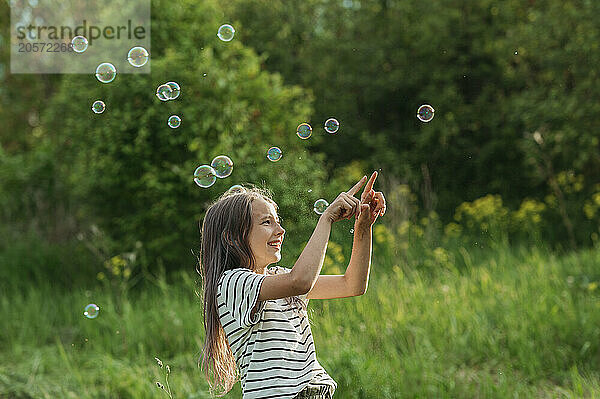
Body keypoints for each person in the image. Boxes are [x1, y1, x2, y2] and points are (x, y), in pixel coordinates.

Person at [197, 171, 386, 399]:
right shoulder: (231, 283)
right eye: (267, 222)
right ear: (232, 238)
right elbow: (301, 281)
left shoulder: (280, 277)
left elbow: (352, 284)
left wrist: (363, 228)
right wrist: (326, 218)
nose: (280, 230)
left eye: (278, 222)